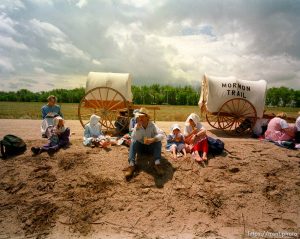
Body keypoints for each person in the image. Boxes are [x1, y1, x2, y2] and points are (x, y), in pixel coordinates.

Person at [124, 108, 165, 178]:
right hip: (141, 148)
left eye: (142, 117)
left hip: (150, 148)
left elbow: (162, 134)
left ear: (147, 117)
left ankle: (157, 164)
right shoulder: (137, 126)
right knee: (133, 142)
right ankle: (131, 165)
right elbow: (133, 137)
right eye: (139, 117)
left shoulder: (152, 125)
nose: (140, 119)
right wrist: (137, 129)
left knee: (158, 142)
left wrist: (153, 139)